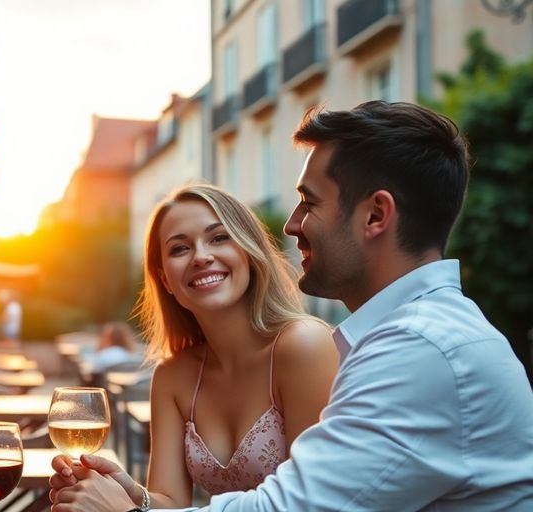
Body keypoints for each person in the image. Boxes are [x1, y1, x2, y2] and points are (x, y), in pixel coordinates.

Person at [49, 101, 533, 511]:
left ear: (376, 215)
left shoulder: (420, 350)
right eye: (178, 249)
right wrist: (138, 500)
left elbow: (288, 508)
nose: (291, 225)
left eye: (309, 202)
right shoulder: (407, 336)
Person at [53, 183, 340, 510]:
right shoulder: (173, 376)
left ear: (248, 251)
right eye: (179, 249)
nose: (202, 257)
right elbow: (172, 502)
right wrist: (135, 495)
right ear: (165, 281)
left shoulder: (303, 345)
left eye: (219, 238)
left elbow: (309, 504)